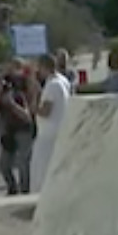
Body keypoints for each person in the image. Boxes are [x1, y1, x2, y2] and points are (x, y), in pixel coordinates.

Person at [30, 54, 72, 193]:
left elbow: (46, 111)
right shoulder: (63, 80)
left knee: (42, 170)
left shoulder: (52, 85)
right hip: (59, 130)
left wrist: (34, 104)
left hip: (48, 135)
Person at [0, 59, 37, 196]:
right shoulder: (3, 85)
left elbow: (27, 115)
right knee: (4, 165)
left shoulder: (25, 85)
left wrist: (12, 104)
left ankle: (25, 191)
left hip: (23, 128)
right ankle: (12, 187)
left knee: (23, 162)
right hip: (8, 130)